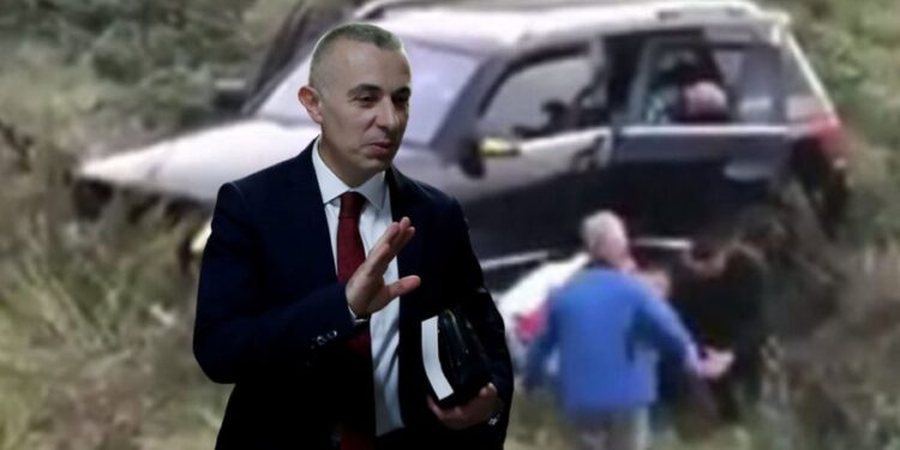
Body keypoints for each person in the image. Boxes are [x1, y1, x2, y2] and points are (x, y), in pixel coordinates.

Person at [193, 23, 512, 450]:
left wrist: (488, 405)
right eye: (366, 99)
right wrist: (341, 307)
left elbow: (486, 337)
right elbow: (220, 351)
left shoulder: (435, 216)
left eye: (400, 100)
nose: (389, 120)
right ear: (314, 104)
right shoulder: (252, 206)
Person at [523, 211, 728, 450]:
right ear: (620, 245)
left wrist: (530, 381)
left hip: (581, 399)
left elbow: (541, 345)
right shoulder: (634, 292)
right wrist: (692, 361)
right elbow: (669, 330)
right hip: (628, 397)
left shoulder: (564, 295)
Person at [671, 233, 768, 423]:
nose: (707, 273)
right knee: (720, 399)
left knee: (752, 390)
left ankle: (754, 409)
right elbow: (681, 322)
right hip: (707, 343)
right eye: (701, 270)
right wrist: (698, 352)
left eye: (712, 267)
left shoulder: (750, 269)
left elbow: (758, 321)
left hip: (742, 339)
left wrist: (732, 352)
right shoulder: (683, 280)